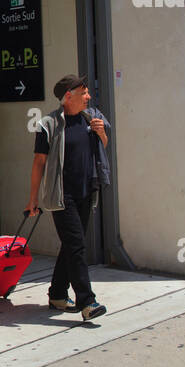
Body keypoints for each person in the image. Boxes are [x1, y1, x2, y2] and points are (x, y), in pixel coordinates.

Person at [25, 74, 111, 321]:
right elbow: (38, 163)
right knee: (77, 247)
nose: (89, 96)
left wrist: (101, 133)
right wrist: (33, 199)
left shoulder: (89, 117)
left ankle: (57, 294)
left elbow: (100, 148)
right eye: (84, 92)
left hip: (86, 192)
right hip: (61, 197)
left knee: (72, 245)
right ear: (68, 96)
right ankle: (87, 302)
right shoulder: (49, 125)